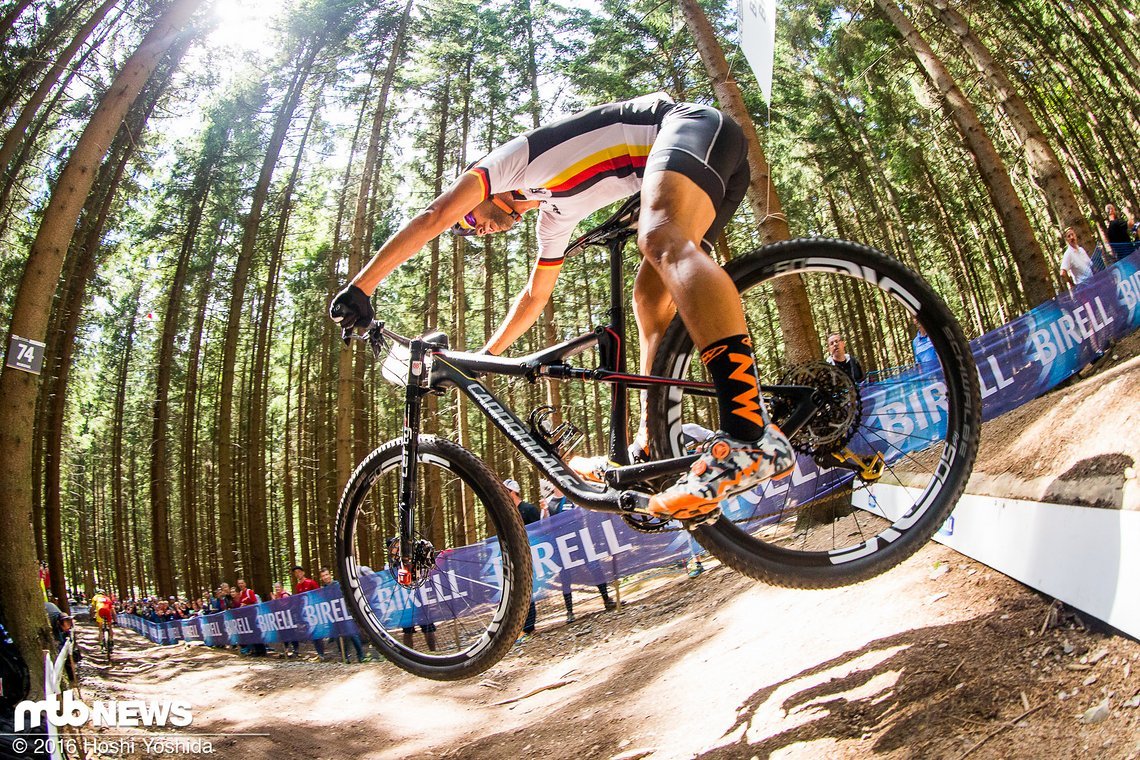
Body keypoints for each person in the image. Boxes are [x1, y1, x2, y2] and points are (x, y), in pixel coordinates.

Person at [330, 92, 795, 522]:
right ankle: (652, 443)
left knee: (659, 239)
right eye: (469, 232)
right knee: (651, 296)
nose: (475, 229)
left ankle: (750, 433)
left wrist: (362, 286)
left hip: (692, 126)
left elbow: (435, 215)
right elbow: (535, 295)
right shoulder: (554, 212)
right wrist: (487, 359)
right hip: (710, 157)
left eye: (469, 220)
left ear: (478, 189)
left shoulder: (511, 162)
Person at [539, 481, 616, 623]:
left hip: (579, 539)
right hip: (561, 543)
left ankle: (607, 599)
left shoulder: (572, 497)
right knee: (565, 575)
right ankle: (569, 612)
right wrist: (544, 511)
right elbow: (545, 525)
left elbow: (583, 514)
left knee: (594, 566)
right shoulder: (548, 502)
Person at [505, 478, 541, 637]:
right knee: (520, 589)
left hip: (532, 554)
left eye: (506, 491)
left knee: (529, 588)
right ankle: (526, 625)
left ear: (512, 492)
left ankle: (530, 625)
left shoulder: (528, 509)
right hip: (516, 557)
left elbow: (540, 529)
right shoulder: (506, 512)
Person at [318, 568, 367, 663]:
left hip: (345, 613)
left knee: (353, 634)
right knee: (337, 636)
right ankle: (345, 657)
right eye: (323, 576)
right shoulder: (323, 590)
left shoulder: (338, 585)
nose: (325, 577)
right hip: (333, 615)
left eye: (326, 574)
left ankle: (361, 656)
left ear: (330, 574)